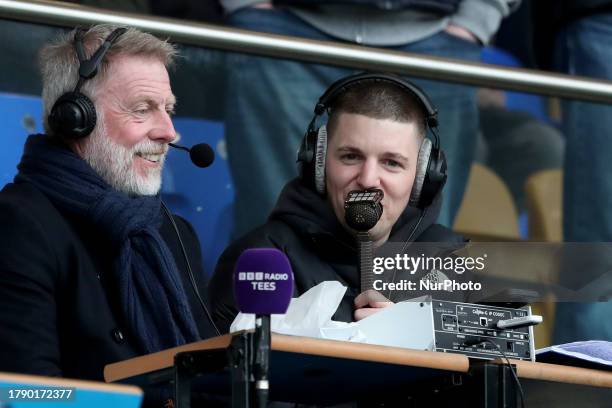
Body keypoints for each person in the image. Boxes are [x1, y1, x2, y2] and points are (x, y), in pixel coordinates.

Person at [0, 25, 219, 381]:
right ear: (75, 118)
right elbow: (24, 394)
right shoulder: (18, 225)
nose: (168, 132)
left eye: (169, 109)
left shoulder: (174, 234)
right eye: (143, 109)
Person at [221, 0, 521, 238]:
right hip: (282, 28)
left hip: (441, 38)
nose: (366, 179)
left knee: (422, 258)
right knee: (271, 242)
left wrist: (477, 16)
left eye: (391, 162)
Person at [209, 73, 468, 333]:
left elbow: (486, 362)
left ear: (422, 177)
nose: (368, 180)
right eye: (351, 157)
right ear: (319, 164)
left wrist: (413, 339)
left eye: (391, 163)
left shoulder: (449, 261)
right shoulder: (262, 261)